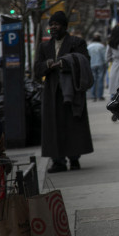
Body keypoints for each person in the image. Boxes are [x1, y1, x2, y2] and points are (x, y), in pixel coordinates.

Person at [34, 11, 94, 173]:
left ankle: (74, 159)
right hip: (52, 93)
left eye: (56, 24)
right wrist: (47, 65)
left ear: (65, 26)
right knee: (53, 127)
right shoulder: (44, 46)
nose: (53, 27)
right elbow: (37, 69)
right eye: (51, 24)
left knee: (73, 125)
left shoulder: (77, 42)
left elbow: (84, 62)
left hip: (71, 91)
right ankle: (57, 161)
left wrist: (63, 64)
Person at [87, 32, 107, 101]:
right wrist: (105, 64)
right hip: (100, 64)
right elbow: (105, 56)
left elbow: (87, 56)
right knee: (100, 80)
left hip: (92, 64)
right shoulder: (101, 46)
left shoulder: (89, 46)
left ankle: (93, 95)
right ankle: (100, 96)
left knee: (93, 80)